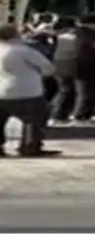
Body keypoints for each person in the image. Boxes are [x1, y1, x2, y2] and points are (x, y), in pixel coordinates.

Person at [0, 24, 58, 158]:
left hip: (1, 91)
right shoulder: (23, 50)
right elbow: (48, 68)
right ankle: (30, 147)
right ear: (15, 35)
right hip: (26, 91)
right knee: (35, 119)